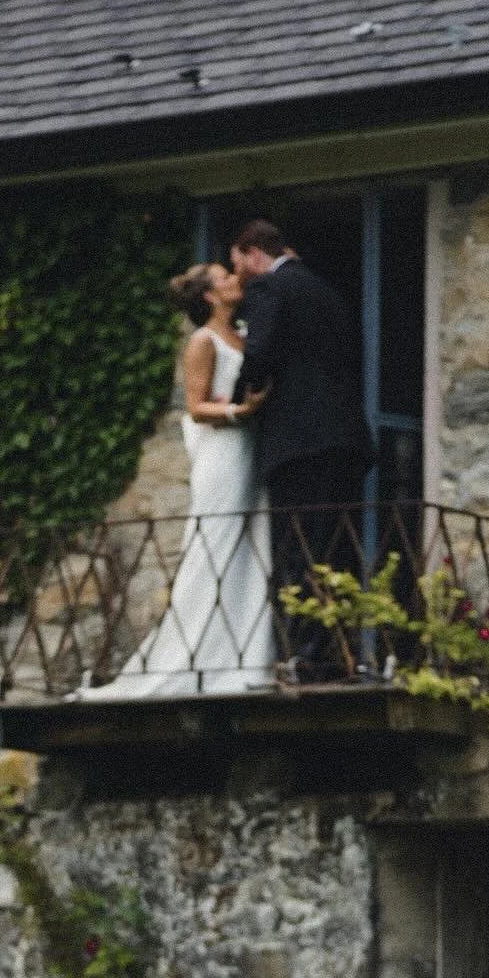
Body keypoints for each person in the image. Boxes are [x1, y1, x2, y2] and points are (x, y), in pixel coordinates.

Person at [80, 261, 274, 698]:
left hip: (250, 448)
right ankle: (196, 658)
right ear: (209, 296)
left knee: (252, 540)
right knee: (217, 541)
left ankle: (247, 655)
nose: (233, 281)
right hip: (224, 453)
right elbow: (194, 406)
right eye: (224, 278)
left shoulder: (242, 334)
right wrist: (240, 411)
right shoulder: (202, 342)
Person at [229, 219, 374, 671]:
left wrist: (241, 398)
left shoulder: (270, 290)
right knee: (338, 548)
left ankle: (307, 656)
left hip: (300, 440)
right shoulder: (329, 292)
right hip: (346, 437)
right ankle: (344, 650)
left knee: (301, 549)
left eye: (241, 265)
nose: (242, 277)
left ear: (255, 253)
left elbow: (261, 353)